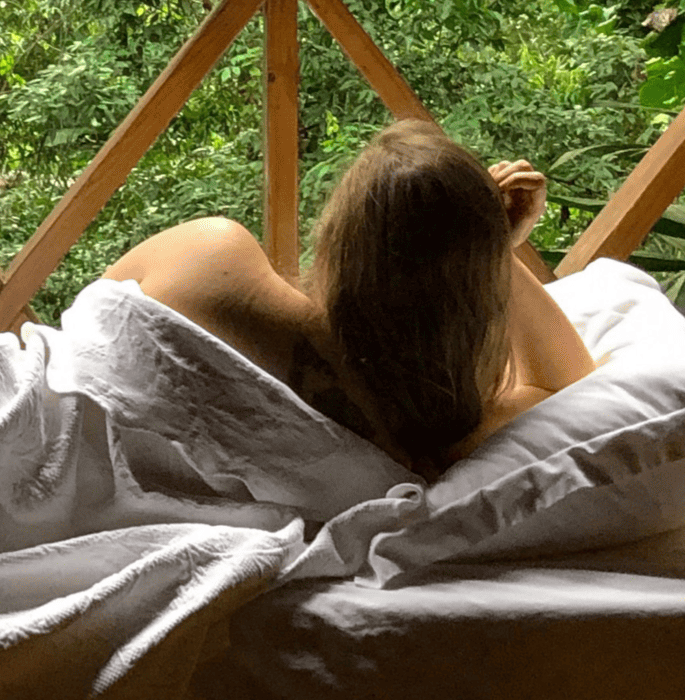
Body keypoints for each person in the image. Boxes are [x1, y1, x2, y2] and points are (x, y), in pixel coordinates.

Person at [104, 120, 596, 477]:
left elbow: (90, 323)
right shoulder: (430, 437)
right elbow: (572, 385)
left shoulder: (209, 255)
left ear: (340, 233)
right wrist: (491, 246)